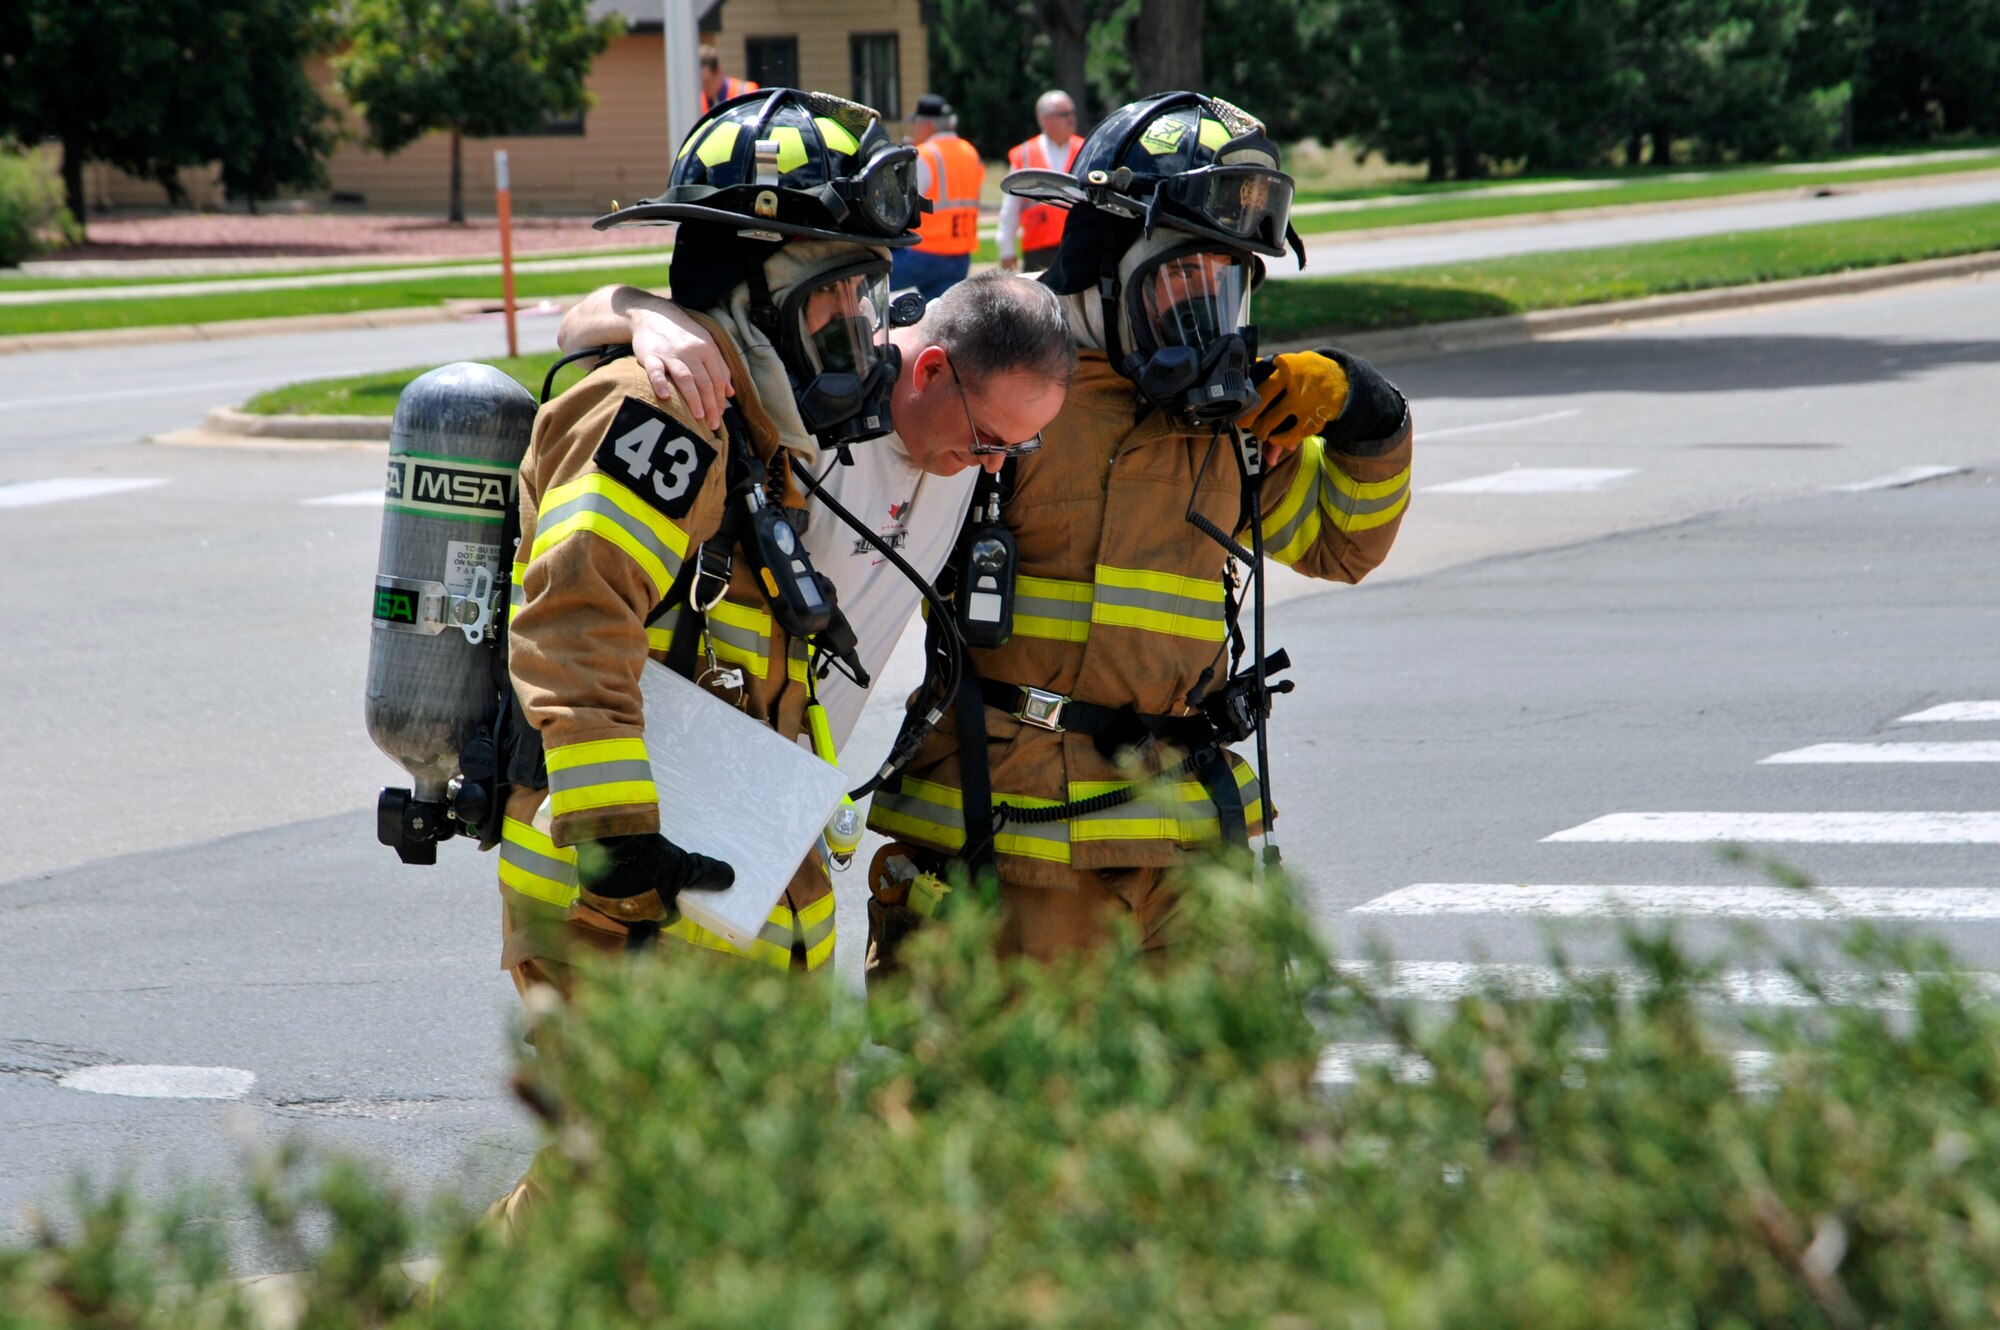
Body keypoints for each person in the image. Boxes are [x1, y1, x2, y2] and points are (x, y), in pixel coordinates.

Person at [862, 91, 1416, 966]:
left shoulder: (1230, 421)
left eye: (1230, 282)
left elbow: (1343, 540)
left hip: (1188, 845)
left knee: (1242, 1094)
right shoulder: (1005, 388)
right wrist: (635, 316)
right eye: (1185, 277)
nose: (1208, 311)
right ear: (1114, 258)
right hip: (1008, 842)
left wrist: (1366, 411)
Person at [556, 268, 1076, 750]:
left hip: (803, 793)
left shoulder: (974, 383)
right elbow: (577, 331)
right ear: (932, 369)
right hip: (683, 764)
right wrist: (648, 316)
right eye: (986, 438)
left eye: (1014, 447)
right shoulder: (803, 389)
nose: (991, 467)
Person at [890, 94, 983, 302]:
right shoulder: (970, 152)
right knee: (942, 319)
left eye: (915, 123)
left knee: (863, 279)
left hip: (922, 253)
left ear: (926, 124)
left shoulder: (925, 154)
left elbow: (901, 206)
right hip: (960, 254)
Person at [997, 90, 1082, 273]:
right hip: (1038, 248)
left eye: (1072, 113)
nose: (1071, 119)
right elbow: (1010, 208)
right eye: (1063, 114)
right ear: (1045, 120)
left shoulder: (1085, 148)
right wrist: (1006, 248)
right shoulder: (1025, 154)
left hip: (1078, 243)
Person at [697, 44, 759, 113]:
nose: (704, 88)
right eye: (701, 84)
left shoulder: (746, 91)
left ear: (718, 71)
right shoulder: (698, 101)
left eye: (707, 83)